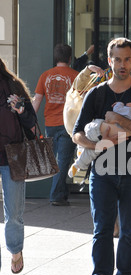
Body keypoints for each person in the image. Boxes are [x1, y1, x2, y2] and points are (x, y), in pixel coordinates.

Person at [72, 37, 131, 275]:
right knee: (102, 229)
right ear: (109, 61)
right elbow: (76, 134)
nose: (123, 64)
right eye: (117, 59)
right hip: (103, 171)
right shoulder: (97, 94)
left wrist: (118, 121)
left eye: (127, 59)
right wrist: (96, 143)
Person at [0, 58, 36, 274]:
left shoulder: (13, 85)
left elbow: (32, 121)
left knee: (13, 211)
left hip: (12, 154)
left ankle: (15, 250)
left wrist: (21, 109)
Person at [33, 44, 78, 206]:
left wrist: (29, 122)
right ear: (70, 58)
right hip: (68, 124)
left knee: (55, 161)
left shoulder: (46, 75)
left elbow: (37, 99)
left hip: (50, 124)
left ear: (56, 58)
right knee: (63, 161)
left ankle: (62, 192)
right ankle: (57, 195)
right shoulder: (76, 76)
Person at [68, 101, 131, 178]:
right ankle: (78, 164)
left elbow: (117, 110)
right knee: (91, 153)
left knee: (87, 145)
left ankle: (80, 155)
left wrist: (120, 104)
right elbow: (122, 137)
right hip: (100, 133)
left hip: (97, 127)